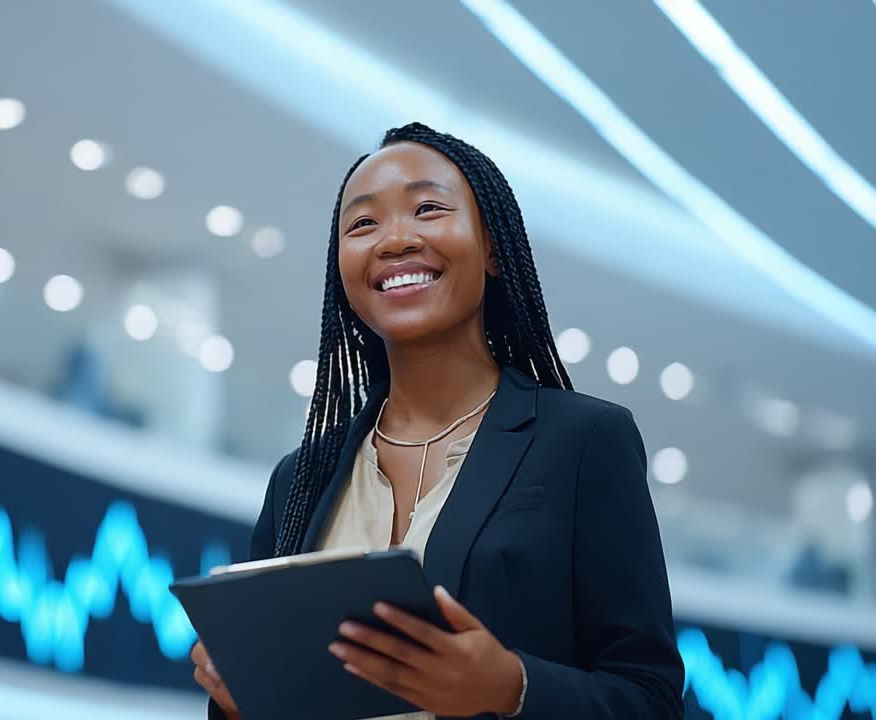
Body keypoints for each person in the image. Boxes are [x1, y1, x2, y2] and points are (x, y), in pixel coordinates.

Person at [190, 123, 684, 719]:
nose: (395, 240)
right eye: (363, 224)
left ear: (495, 247)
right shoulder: (300, 479)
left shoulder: (583, 443)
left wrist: (513, 688)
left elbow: (650, 699)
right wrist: (241, 700)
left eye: (427, 209)